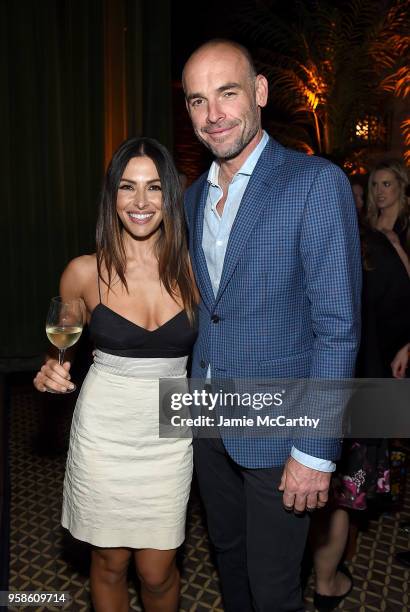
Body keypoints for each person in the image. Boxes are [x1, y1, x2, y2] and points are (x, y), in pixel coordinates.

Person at [182, 39, 361, 612]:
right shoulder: (190, 199)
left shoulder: (314, 184)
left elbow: (337, 328)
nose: (213, 115)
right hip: (210, 421)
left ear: (258, 93)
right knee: (227, 556)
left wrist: (314, 450)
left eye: (227, 93)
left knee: (274, 584)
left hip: (281, 427)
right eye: (197, 100)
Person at [33, 137, 198, 612]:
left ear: (171, 194)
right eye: (128, 188)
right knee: (107, 563)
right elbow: (58, 353)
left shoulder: (195, 270)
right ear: (112, 196)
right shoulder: (83, 273)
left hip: (170, 432)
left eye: (154, 188)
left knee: (158, 570)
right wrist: (50, 373)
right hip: (104, 433)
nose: (141, 202)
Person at [310, 159, 410, 610]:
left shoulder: (303, 243)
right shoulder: (375, 246)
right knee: (338, 495)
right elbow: (401, 309)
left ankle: (313, 576)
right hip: (361, 386)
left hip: (314, 388)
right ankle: (326, 582)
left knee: (314, 491)